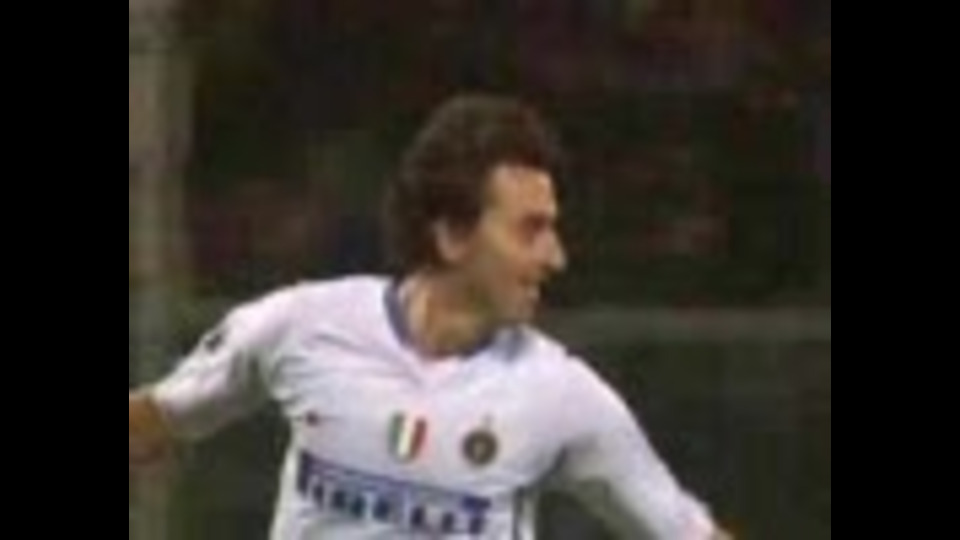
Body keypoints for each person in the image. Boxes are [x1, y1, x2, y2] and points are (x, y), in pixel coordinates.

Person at [129, 94, 732, 539]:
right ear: (452, 235)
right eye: (531, 230)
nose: (556, 257)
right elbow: (157, 418)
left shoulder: (563, 396)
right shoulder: (300, 326)